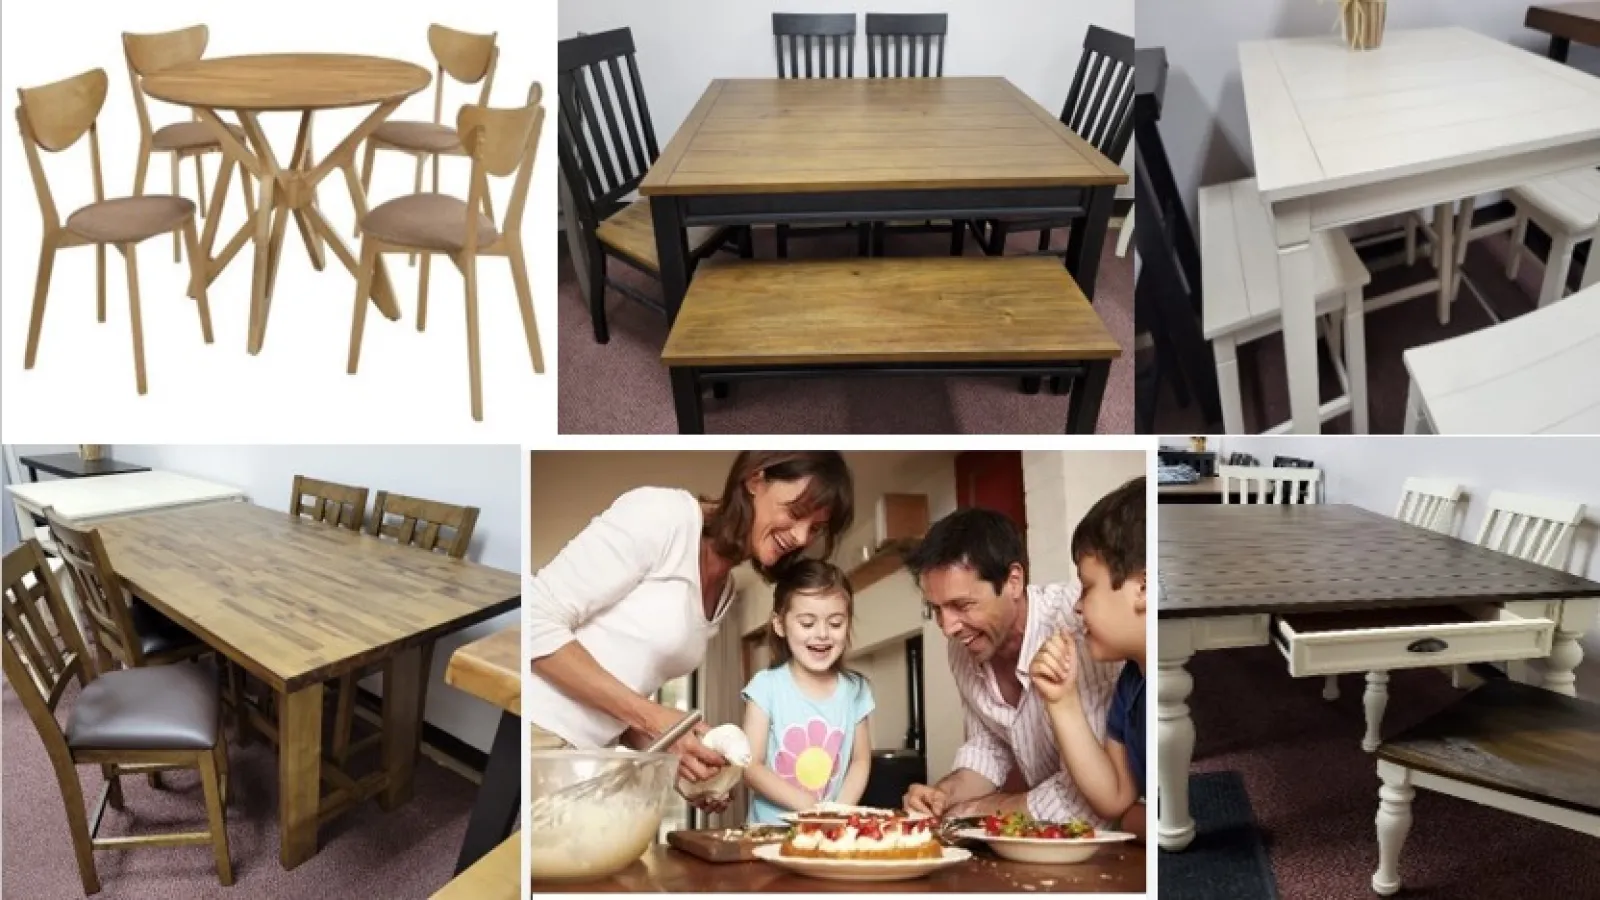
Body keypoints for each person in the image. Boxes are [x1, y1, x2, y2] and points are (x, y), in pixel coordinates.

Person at [528, 452, 854, 811]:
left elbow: (617, 693)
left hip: (587, 759)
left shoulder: (725, 590)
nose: (800, 536)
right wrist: (655, 719)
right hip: (535, 734)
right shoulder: (662, 515)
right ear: (755, 481)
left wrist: (682, 755)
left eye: (816, 528)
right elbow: (535, 617)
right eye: (795, 512)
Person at [901, 507, 1121, 824]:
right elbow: (989, 745)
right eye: (936, 609)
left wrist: (980, 809)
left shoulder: (1080, 625)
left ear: (1014, 581)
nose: (947, 627)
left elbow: (1090, 798)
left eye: (961, 605)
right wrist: (944, 795)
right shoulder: (963, 646)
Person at [1030, 477, 1147, 838]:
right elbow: (1115, 798)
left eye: (1087, 587)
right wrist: (1062, 701)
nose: (1077, 606)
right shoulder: (1131, 682)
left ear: (1143, 589)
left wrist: (1137, 820)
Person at [740, 560, 875, 824]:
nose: (822, 634)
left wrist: (839, 813)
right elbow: (751, 767)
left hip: (829, 830)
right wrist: (810, 807)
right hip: (769, 834)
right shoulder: (766, 687)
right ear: (780, 625)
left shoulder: (856, 690)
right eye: (807, 623)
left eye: (835, 623)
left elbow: (860, 761)